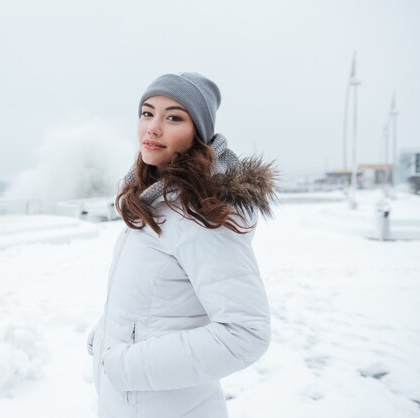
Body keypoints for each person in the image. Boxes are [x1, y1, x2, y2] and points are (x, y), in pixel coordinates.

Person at [86, 72, 278, 418]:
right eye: (147, 113)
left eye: (173, 117)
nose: (153, 128)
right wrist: (104, 336)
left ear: (198, 134)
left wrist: (126, 365)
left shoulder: (199, 215)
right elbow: (154, 305)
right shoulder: (155, 200)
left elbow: (245, 333)